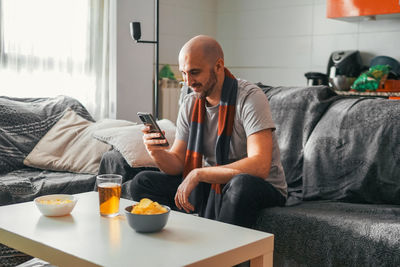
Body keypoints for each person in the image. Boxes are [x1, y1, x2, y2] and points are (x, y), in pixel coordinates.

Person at [100, 35, 287, 228]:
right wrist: (156, 152)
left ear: (219, 66)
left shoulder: (250, 97)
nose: (188, 81)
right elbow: (178, 163)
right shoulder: (191, 103)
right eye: (183, 73)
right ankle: (182, 242)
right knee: (143, 182)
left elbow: (260, 165)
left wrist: (199, 174)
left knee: (240, 185)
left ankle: (220, 254)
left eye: (195, 72)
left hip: (260, 186)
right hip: (214, 184)